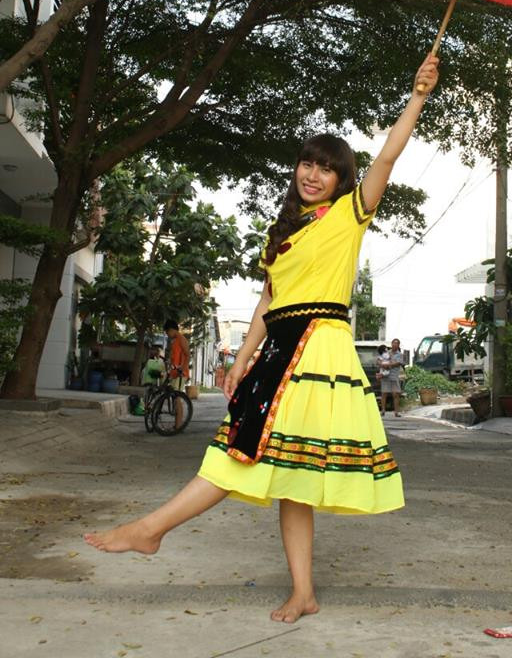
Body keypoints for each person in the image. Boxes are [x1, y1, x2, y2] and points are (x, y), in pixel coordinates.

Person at [84, 54, 439, 624]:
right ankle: (303, 592)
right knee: (288, 476)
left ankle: (150, 529)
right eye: (306, 164)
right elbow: (266, 304)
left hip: (316, 348)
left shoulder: (349, 215)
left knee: (240, 453)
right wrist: (239, 361)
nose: (312, 175)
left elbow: (388, 157)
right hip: (279, 350)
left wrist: (417, 96)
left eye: (325, 169)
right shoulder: (283, 232)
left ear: (342, 180)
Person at [164, 318, 190, 429]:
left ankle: (178, 426)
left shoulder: (181, 339)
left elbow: (188, 355)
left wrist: (182, 370)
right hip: (175, 373)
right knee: (175, 398)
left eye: (167, 332)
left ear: (171, 330)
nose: (167, 335)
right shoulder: (175, 341)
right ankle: (177, 424)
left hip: (180, 374)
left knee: (177, 398)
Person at [380, 338, 404, 417]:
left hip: (394, 376)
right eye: (394, 343)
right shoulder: (386, 352)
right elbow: (381, 360)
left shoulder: (400, 354)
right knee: (384, 393)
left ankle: (396, 412)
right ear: (391, 344)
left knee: (396, 394)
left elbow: (398, 363)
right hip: (385, 375)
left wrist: (389, 365)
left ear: (398, 345)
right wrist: (382, 364)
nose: (395, 345)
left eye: (396, 343)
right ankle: (383, 411)